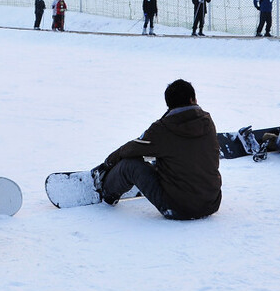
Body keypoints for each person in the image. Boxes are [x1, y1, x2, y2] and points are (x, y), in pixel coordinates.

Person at [91, 79, 222, 220]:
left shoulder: (163, 129)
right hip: (212, 203)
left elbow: (131, 149)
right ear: (193, 99)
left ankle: (107, 191)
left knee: (129, 164)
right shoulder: (207, 122)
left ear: (168, 104)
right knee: (179, 154)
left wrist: (108, 163)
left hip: (178, 208)